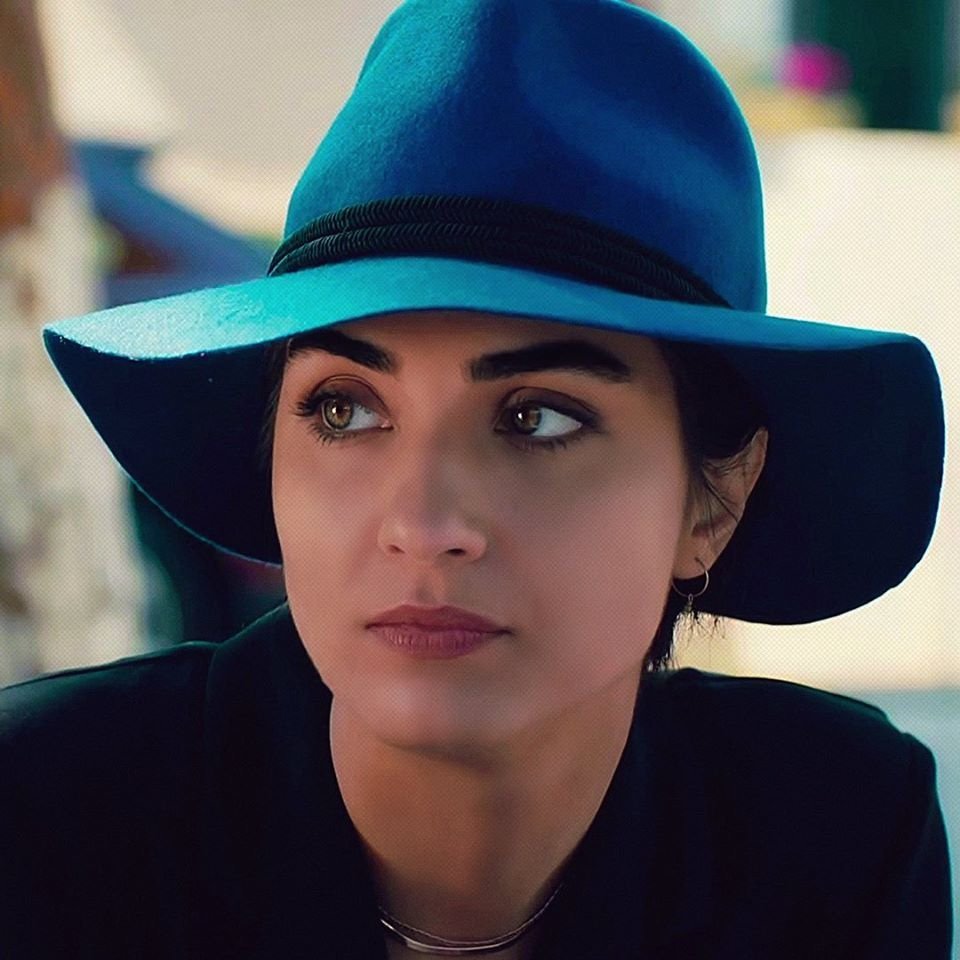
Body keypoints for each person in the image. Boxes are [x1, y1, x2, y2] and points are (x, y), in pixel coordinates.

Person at [0, 1, 951, 957]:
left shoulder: (838, 835)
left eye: (538, 419)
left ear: (717, 501)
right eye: (345, 410)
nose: (423, 523)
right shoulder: (45, 815)